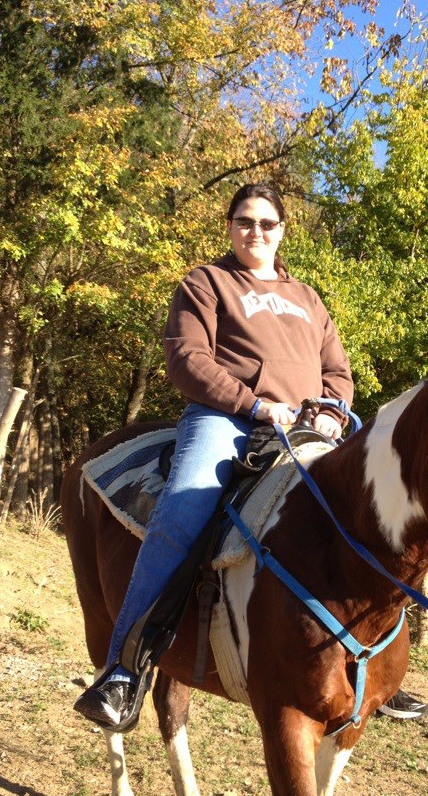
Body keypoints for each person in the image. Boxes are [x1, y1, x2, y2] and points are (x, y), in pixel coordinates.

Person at [74, 183, 353, 729]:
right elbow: (186, 359)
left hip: (307, 426)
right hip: (224, 419)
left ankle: (378, 669)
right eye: (245, 221)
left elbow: (337, 372)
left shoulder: (308, 298)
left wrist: (333, 412)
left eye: (267, 223)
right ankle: (125, 670)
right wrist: (255, 405)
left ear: (282, 231)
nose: (257, 231)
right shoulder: (207, 282)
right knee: (181, 512)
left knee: (378, 507)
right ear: (229, 227)